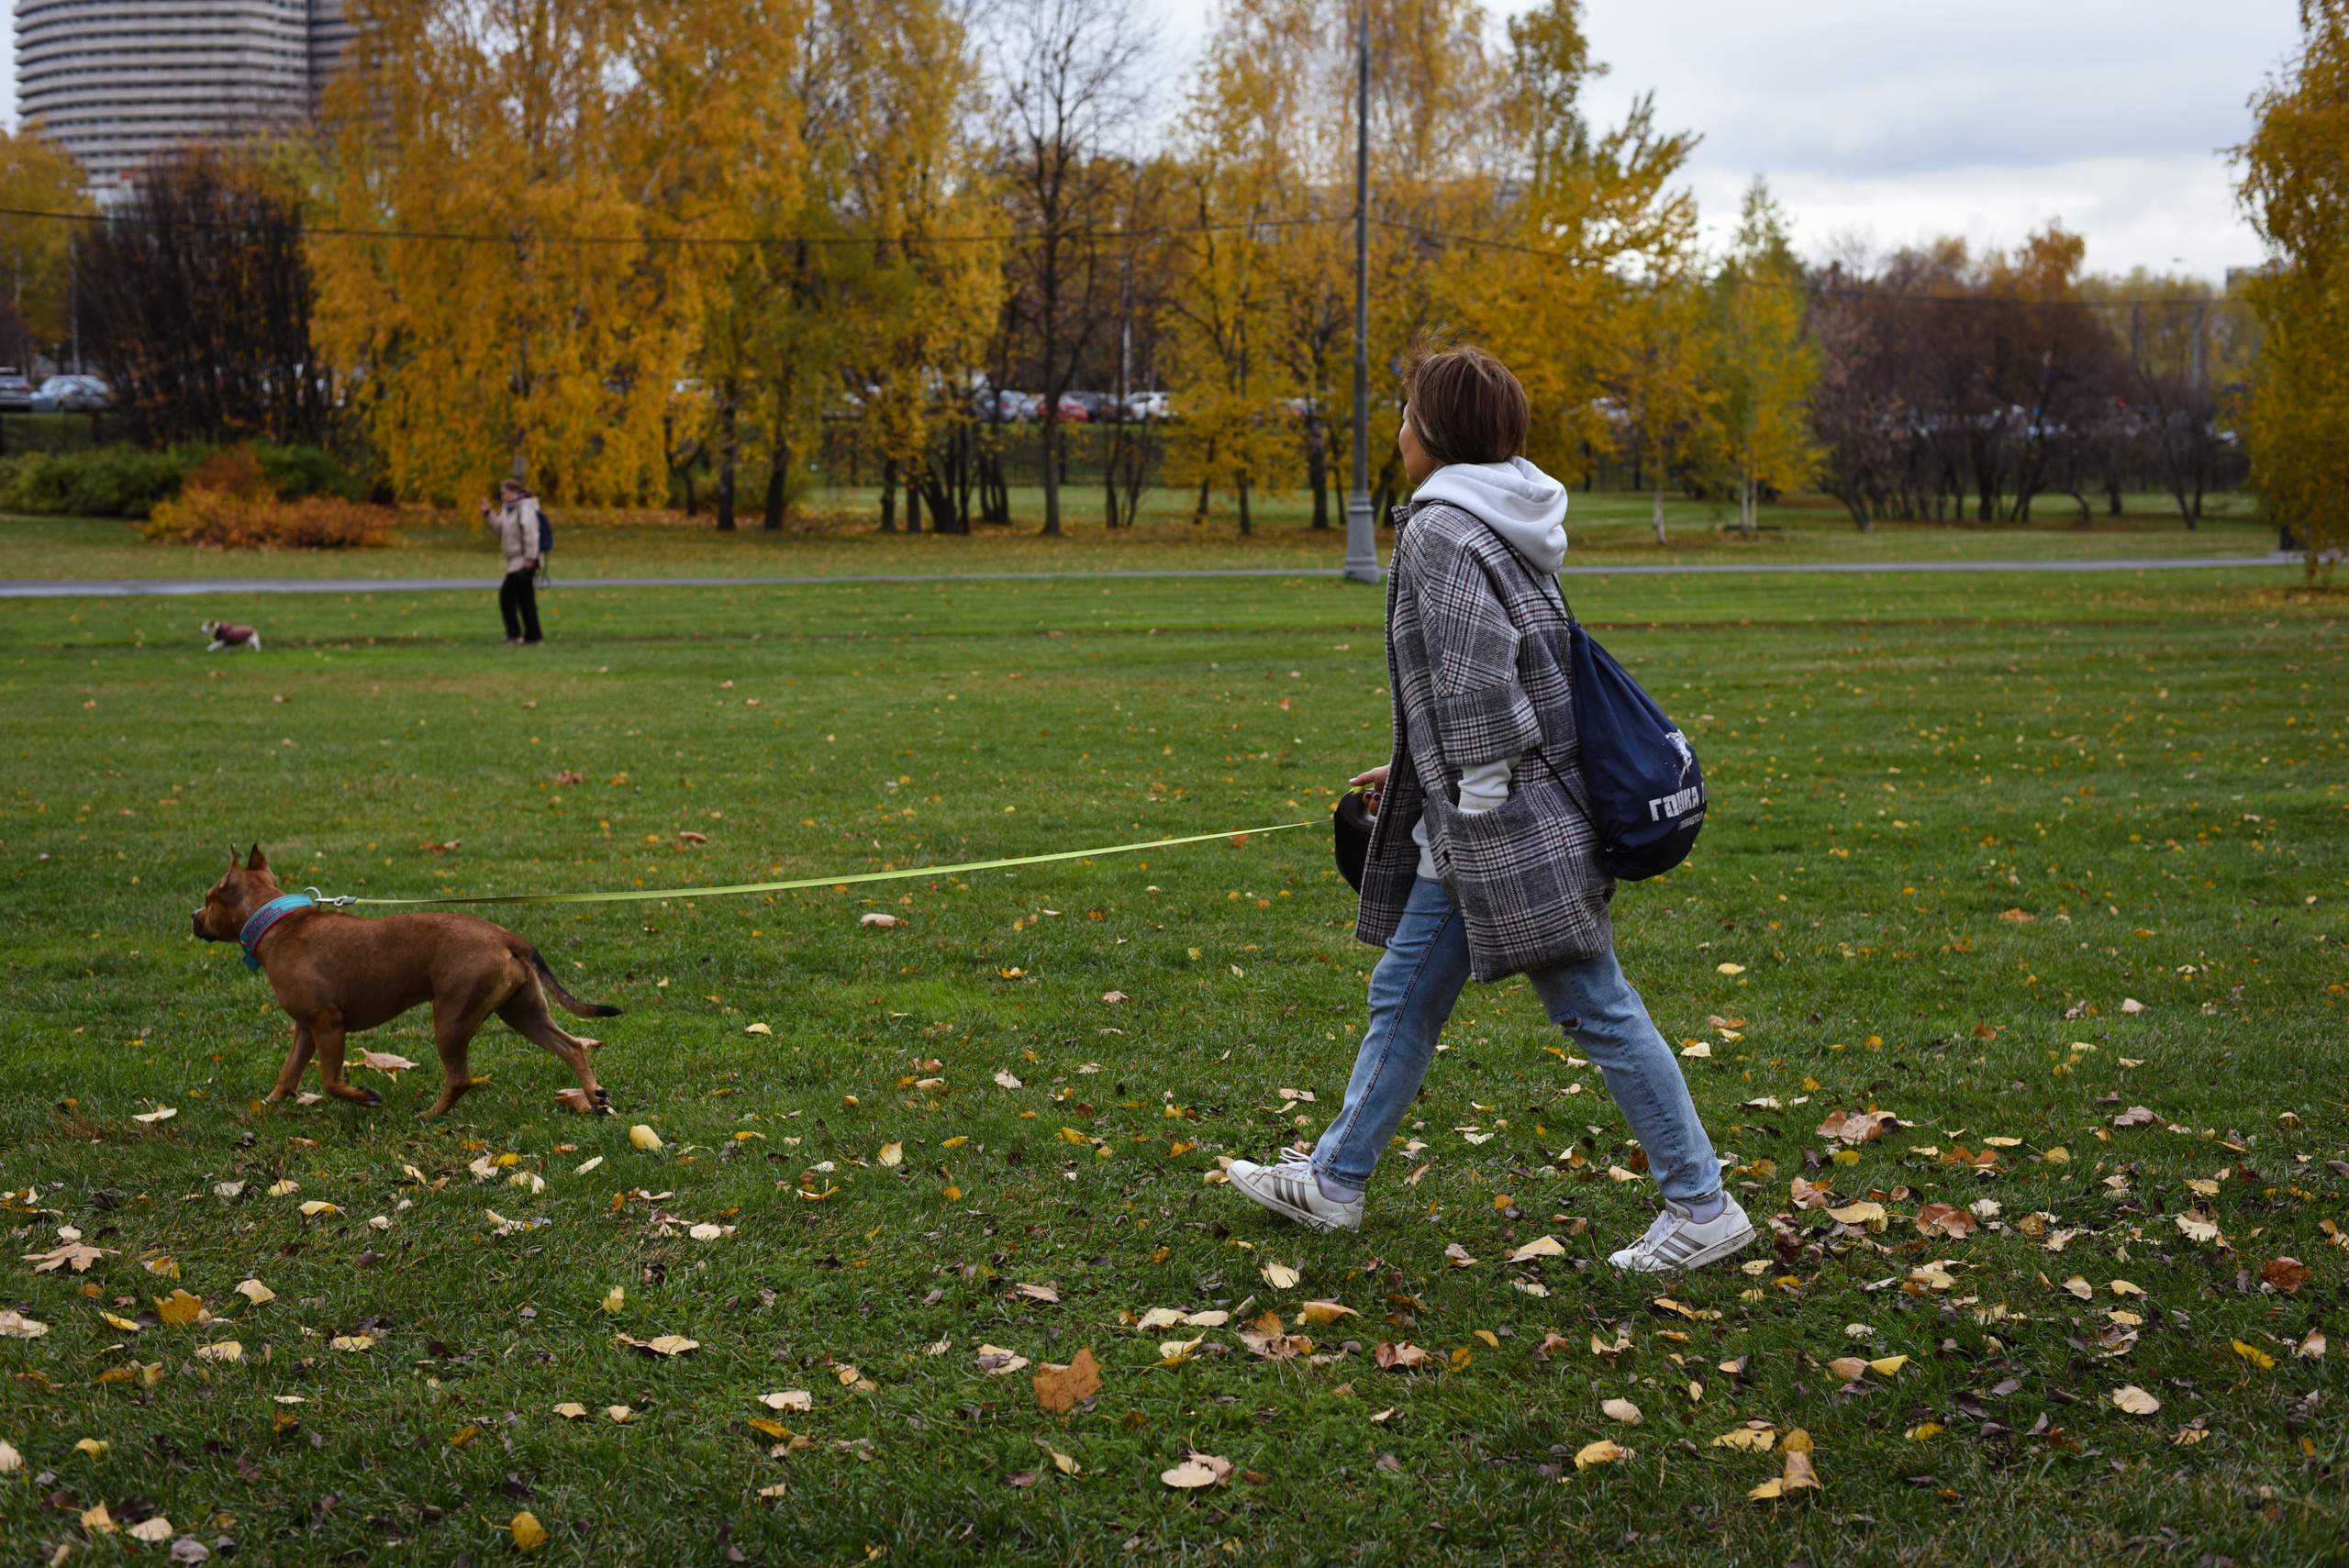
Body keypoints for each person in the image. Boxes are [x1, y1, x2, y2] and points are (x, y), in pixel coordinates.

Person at [1225, 343, 1753, 1274]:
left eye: (1405, 414)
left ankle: (1701, 1204)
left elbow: (1480, 687)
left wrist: (1464, 802)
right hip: (1506, 806)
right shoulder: (1508, 515)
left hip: (1503, 824)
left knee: (1597, 1006)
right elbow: (1517, 669)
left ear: (1434, 433)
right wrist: (1417, 776)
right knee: (1405, 993)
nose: (1398, 430)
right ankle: (1335, 1178)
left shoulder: (1439, 530)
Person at [480, 479, 543, 645]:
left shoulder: (524, 509)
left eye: (504, 493)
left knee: (507, 595)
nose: (501, 497)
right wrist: (488, 513)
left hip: (522, 560)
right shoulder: (509, 510)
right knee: (525, 599)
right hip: (516, 560)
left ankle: (514, 635)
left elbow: (531, 535)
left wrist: (530, 558)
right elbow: (501, 529)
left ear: (513, 493)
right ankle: (534, 636)